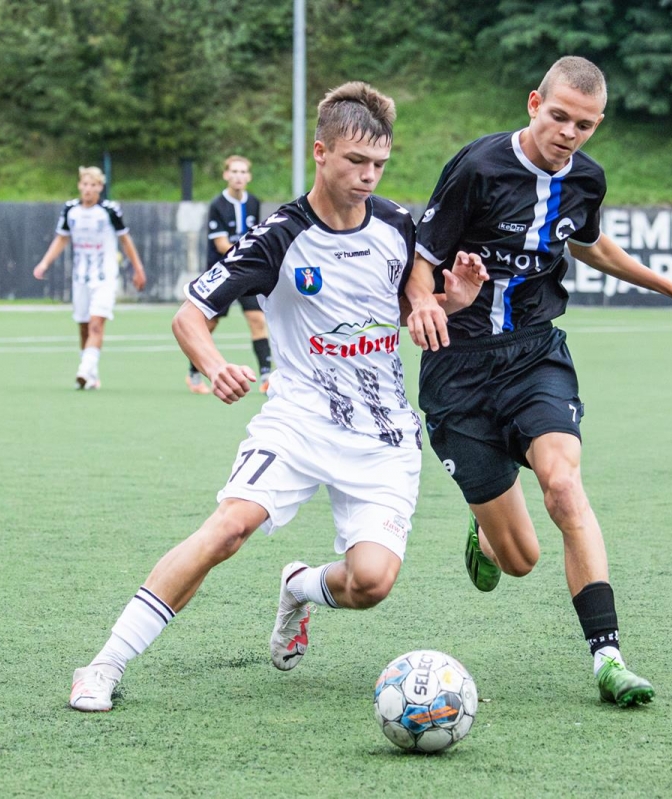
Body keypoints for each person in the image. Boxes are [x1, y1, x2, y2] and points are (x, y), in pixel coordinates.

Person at [68, 81, 486, 712]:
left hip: (382, 435)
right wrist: (213, 365)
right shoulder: (278, 236)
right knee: (227, 529)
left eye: (379, 164)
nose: (368, 176)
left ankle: (299, 586)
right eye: (355, 161)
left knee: (371, 583)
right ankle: (104, 664)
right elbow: (189, 317)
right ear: (320, 152)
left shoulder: (398, 226)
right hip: (298, 420)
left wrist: (453, 301)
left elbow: (409, 313)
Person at [404, 56, 672, 709]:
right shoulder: (477, 168)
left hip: (534, 354)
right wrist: (422, 303)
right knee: (519, 559)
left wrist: (671, 287)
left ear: (597, 124)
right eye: (559, 116)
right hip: (459, 369)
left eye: (584, 125)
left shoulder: (586, 177)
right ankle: (486, 529)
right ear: (534, 103)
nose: (569, 133)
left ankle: (608, 658)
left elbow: (589, 243)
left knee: (563, 486)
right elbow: (423, 257)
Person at [33, 166, 147, 390]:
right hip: (80, 277)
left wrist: (138, 268)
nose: (88, 189)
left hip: (104, 277)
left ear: (100, 187)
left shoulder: (110, 210)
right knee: (84, 325)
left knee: (96, 323)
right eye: (85, 184)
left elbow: (125, 240)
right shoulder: (70, 210)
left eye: (93, 185)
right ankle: (92, 375)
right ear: (79, 185)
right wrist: (44, 263)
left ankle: (84, 371)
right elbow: (61, 238)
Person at [186, 155, 273, 394]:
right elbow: (222, 244)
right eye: (234, 171)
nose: (238, 176)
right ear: (226, 175)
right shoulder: (217, 204)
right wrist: (252, 254)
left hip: (248, 272)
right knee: (209, 324)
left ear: (249, 176)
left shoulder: (253, 202)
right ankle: (194, 372)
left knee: (257, 320)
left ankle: (266, 376)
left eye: (243, 172)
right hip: (222, 273)